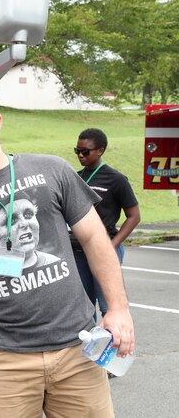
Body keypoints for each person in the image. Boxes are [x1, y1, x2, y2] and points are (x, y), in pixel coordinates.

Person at [0, 75, 135, 418]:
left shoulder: (51, 169)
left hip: (77, 350)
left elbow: (96, 239)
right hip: (5, 362)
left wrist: (118, 309)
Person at [72, 128, 140, 319]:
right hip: (78, 251)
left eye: (85, 151)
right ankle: (90, 348)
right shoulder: (75, 177)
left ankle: (118, 348)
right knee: (84, 309)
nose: (80, 155)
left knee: (109, 307)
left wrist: (111, 245)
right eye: (77, 151)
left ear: (100, 151)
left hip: (104, 248)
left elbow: (134, 216)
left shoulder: (116, 179)